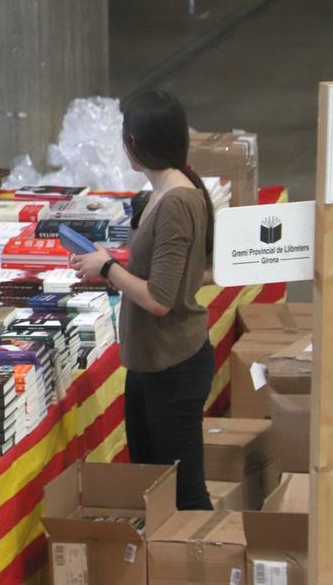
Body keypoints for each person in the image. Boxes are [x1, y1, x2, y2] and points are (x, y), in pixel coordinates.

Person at [69, 90, 216, 510]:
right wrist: (106, 269)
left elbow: (159, 299)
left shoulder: (177, 202)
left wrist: (109, 270)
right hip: (150, 363)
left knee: (183, 494)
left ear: (133, 143)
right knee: (151, 490)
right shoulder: (157, 196)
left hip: (174, 365)